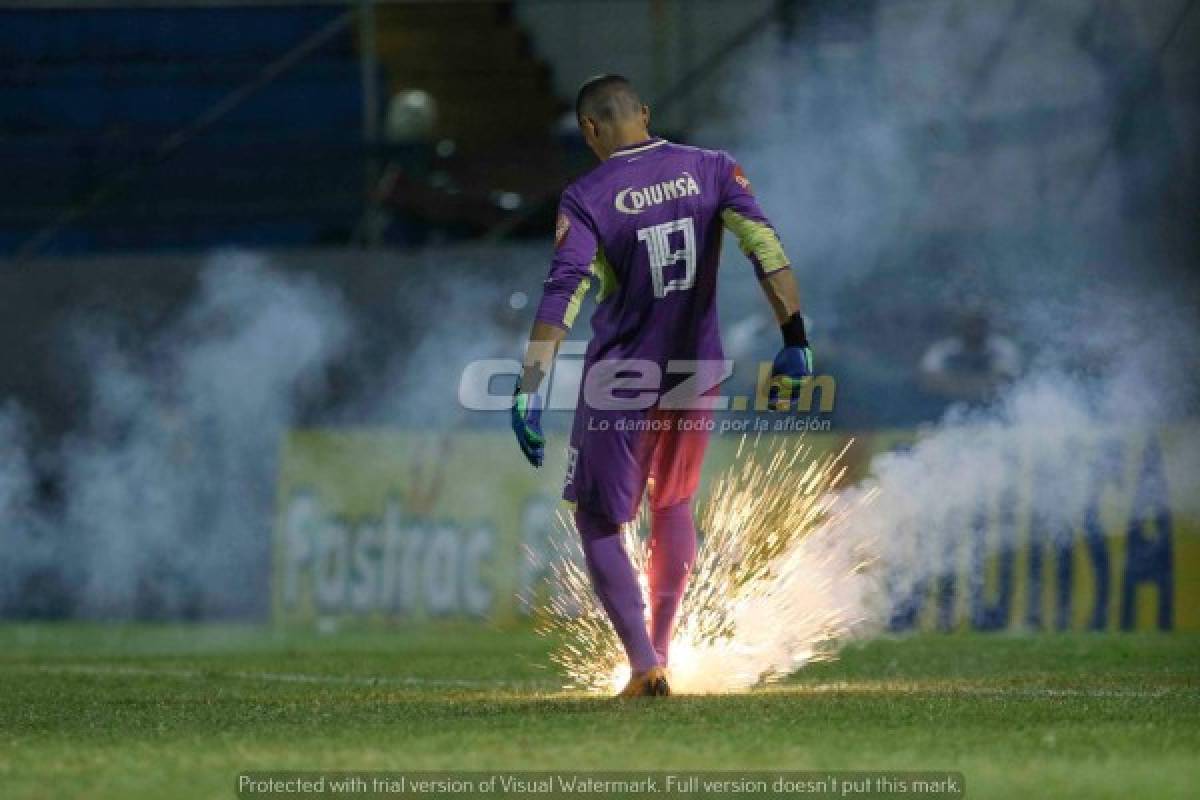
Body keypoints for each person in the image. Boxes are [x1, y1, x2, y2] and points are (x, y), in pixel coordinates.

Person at [510, 75, 811, 697]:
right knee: (672, 504)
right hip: (698, 369)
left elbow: (562, 292)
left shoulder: (588, 195)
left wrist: (529, 385)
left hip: (624, 375)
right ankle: (665, 652)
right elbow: (766, 247)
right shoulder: (714, 168)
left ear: (590, 130)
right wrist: (796, 338)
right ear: (644, 114)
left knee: (598, 520)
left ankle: (644, 663)